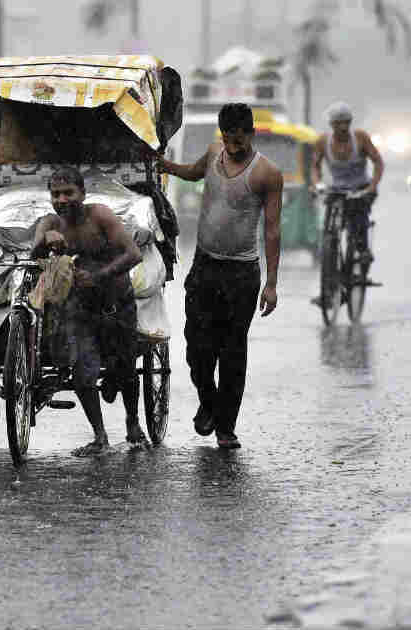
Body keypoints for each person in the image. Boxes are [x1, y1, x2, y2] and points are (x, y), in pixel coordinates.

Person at [155, 103, 284, 449]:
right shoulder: (213, 153)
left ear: (252, 134)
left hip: (242, 273)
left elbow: (272, 231)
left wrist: (271, 285)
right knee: (197, 348)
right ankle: (209, 402)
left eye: (241, 140)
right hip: (204, 266)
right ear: (222, 135)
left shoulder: (267, 174)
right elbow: (193, 173)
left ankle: (226, 427)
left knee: (232, 352)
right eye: (229, 139)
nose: (234, 146)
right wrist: (163, 165)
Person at [29, 166, 145, 457]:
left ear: (82, 193)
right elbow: (34, 254)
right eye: (56, 194)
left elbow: (134, 254)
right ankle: (100, 436)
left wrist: (100, 275)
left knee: (127, 370)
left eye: (69, 193)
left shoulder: (100, 216)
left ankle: (133, 423)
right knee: (83, 374)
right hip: (79, 309)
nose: (62, 199)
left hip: (117, 305)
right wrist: (46, 238)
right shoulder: (50, 222)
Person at [310, 101, 383, 262]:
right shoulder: (323, 142)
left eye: (346, 122)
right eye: (338, 123)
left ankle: (362, 248)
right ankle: (328, 247)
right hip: (337, 188)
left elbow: (378, 162)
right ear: (331, 124)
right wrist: (317, 184)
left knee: (358, 215)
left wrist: (372, 186)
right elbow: (315, 167)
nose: (343, 127)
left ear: (350, 122)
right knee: (330, 218)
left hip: (361, 187)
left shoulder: (361, 138)